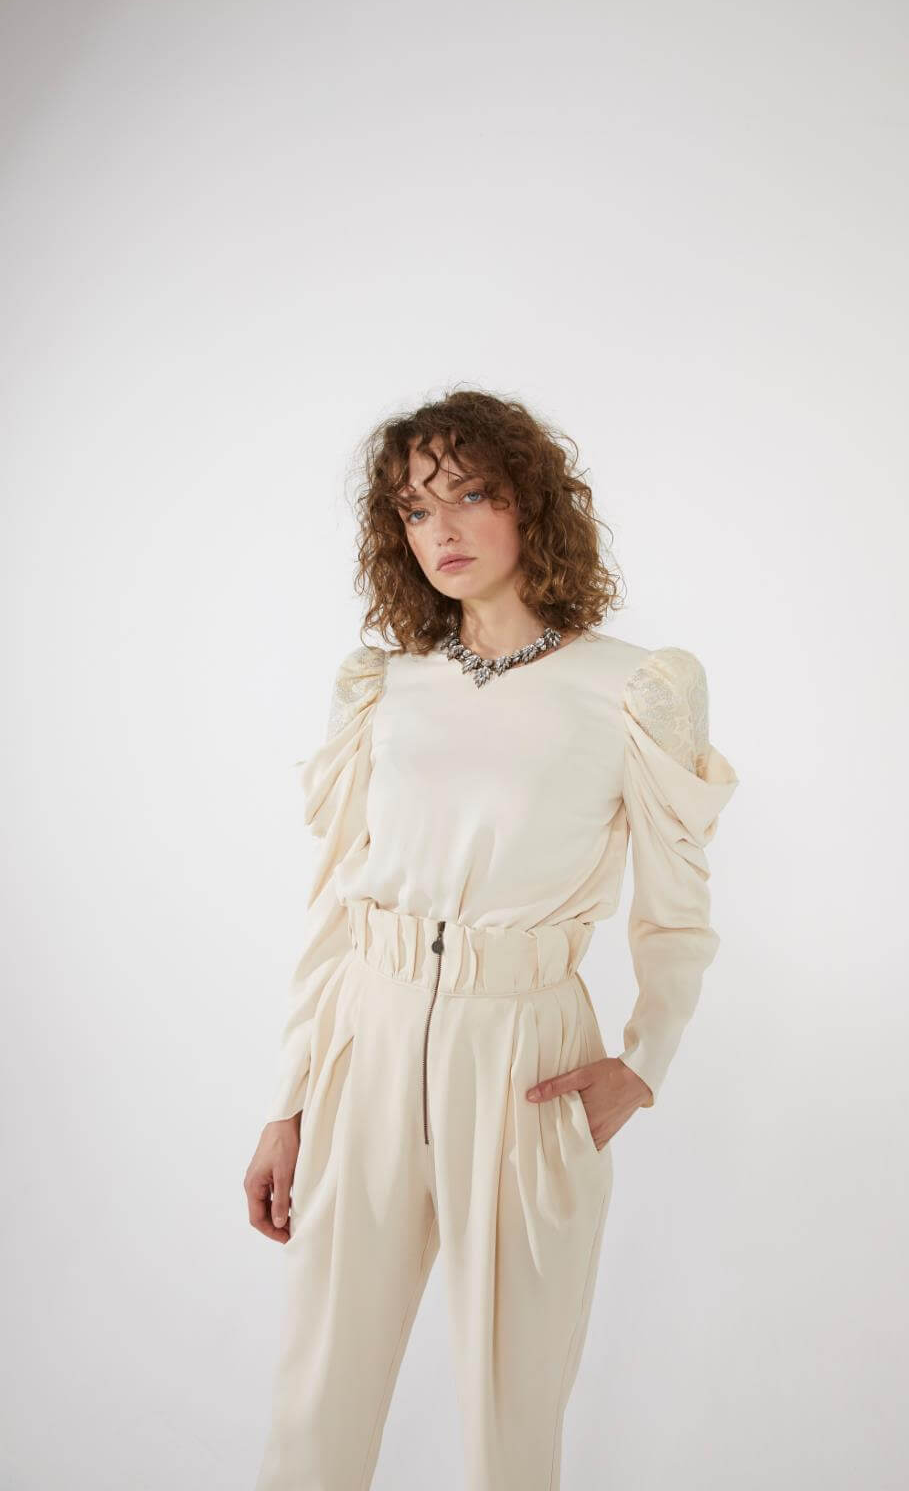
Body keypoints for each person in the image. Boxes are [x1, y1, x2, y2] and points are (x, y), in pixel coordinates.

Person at [244, 389, 739, 1491]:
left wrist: (643, 1063)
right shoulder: (382, 690)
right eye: (417, 510)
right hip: (367, 1048)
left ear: (533, 506)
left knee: (512, 1416)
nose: (445, 530)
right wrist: (289, 1100)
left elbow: (677, 911)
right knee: (317, 1398)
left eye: (471, 495)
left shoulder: (635, 688)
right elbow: (334, 907)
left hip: (527, 1061)